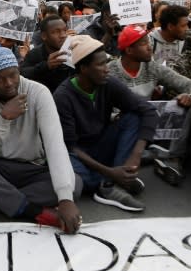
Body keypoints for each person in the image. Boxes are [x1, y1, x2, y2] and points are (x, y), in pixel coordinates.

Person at [0, 47, 82, 232]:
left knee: (75, 185)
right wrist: (4, 118)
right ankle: (31, 210)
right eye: (0, 79)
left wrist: (65, 199)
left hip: (31, 167)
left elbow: (55, 144)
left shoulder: (39, 92)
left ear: (19, 71)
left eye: (13, 75)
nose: (8, 83)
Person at [53, 36, 158, 212]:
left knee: (133, 117)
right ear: (84, 68)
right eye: (101, 65)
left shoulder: (108, 83)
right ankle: (110, 183)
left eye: (106, 63)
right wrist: (111, 173)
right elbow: (71, 146)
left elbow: (147, 111)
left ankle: (118, 176)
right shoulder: (63, 97)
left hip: (102, 145)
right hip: (78, 154)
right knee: (75, 180)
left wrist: (136, 155)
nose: (107, 69)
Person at [108, 25, 191, 185]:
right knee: (132, 116)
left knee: (187, 105)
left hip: (150, 125)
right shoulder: (110, 72)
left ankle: (169, 156)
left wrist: (189, 96)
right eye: (144, 43)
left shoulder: (152, 67)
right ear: (129, 51)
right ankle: (149, 158)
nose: (150, 46)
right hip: (123, 127)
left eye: (149, 41)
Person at [20, 15, 74, 92]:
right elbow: (22, 73)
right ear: (44, 36)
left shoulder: (74, 50)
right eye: (56, 32)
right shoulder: (35, 54)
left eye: (65, 30)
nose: (63, 35)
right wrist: (46, 66)